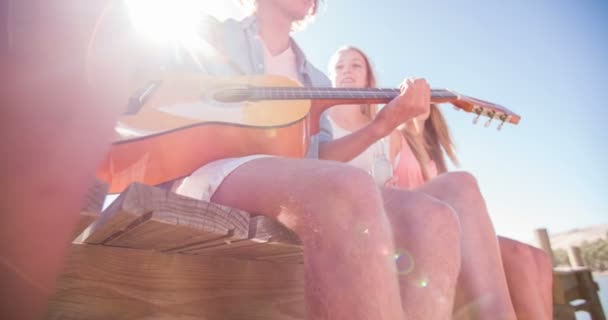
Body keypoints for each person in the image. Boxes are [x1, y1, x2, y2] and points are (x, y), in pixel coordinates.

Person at [173, 1, 467, 319]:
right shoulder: (215, 33)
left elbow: (320, 157)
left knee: (433, 217)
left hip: (289, 177)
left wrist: (382, 125)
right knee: (350, 186)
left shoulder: (314, 79)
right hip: (215, 171)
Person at [327, 45, 553, 319]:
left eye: (355, 65)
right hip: (358, 224)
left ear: (369, 76)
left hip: (399, 221)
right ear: (330, 75)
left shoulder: (390, 132)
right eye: (339, 67)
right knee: (464, 187)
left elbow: (412, 143)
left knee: (536, 258)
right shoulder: (323, 121)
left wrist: (414, 117)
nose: (346, 71)